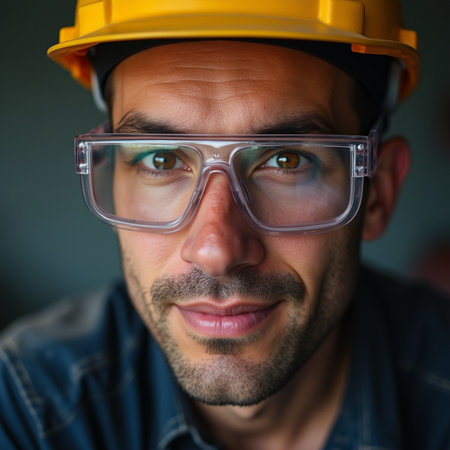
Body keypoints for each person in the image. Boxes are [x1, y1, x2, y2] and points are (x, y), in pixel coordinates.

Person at [1, 0, 449, 448]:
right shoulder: (28, 407)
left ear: (378, 194)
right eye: (162, 159)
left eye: (286, 161)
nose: (216, 251)